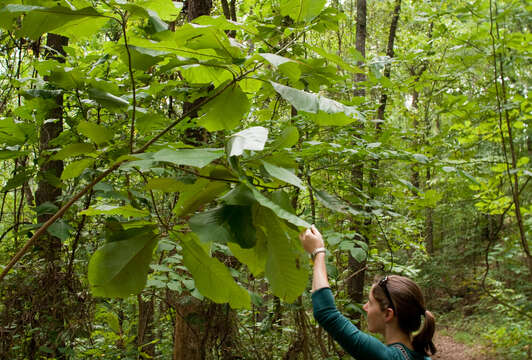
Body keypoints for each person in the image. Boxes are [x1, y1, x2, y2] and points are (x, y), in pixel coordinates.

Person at [299, 225, 436, 360]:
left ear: (388, 314)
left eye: (370, 303)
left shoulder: (388, 356)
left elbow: (326, 313)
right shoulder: (420, 356)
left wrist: (318, 252)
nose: (364, 307)